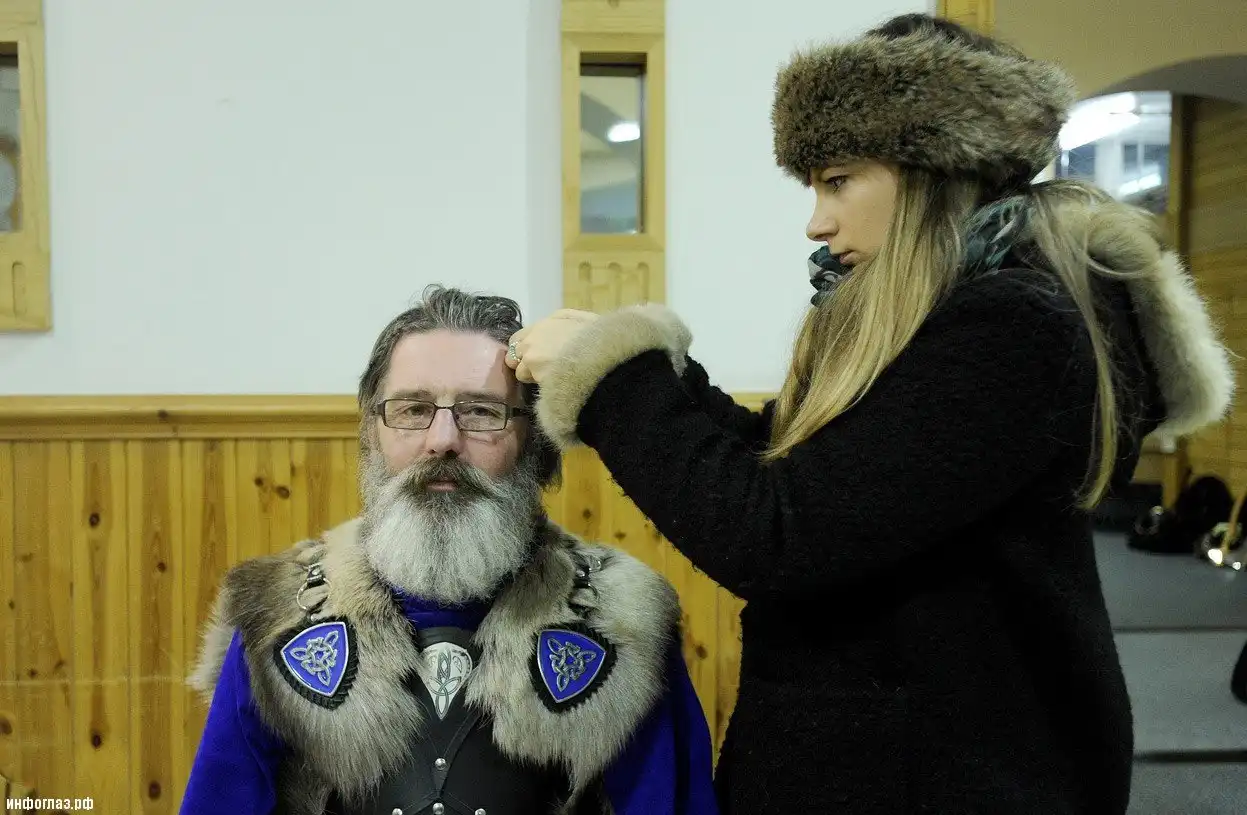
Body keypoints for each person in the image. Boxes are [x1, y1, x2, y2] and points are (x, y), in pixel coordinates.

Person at [505, 13, 1235, 815]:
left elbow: (777, 533)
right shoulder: (937, 320)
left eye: (837, 180)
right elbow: (785, 465)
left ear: (928, 169)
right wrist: (645, 363)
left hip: (943, 776)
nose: (816, 221)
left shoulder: (1011, 329)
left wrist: (614, 381)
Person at [180, 286, 720, 815]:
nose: (442, 439)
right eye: (413, 409)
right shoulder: (280, 615)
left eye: (481, 411)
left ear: (535, 440)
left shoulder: (621, 622)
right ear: (372, 433)